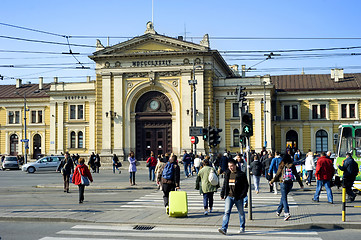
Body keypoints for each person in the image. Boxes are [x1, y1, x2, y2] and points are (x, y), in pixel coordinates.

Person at [218, 159, 249, 235]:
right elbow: (225, 185)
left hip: (238, 197)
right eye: (229, 166)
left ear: (235, 165)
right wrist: (222, 194)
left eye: (231, 166)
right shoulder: (227, 174)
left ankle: (242, 227)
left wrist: (243, 195)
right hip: (229, 196)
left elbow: (246, 186)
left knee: (241, 212)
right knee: (227, 212)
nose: (230, 168)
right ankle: (224, 228)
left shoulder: (241, 174)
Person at [270, 154, 304, 221]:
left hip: (283, 183)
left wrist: (271, 181)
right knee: (283, 196)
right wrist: (301, 184)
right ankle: (278, 211)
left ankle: (286, 213)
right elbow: (296, 175)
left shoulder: (282, 165)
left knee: (284, 198)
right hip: (290, 183)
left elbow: (277, 174)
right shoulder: (292, 165)